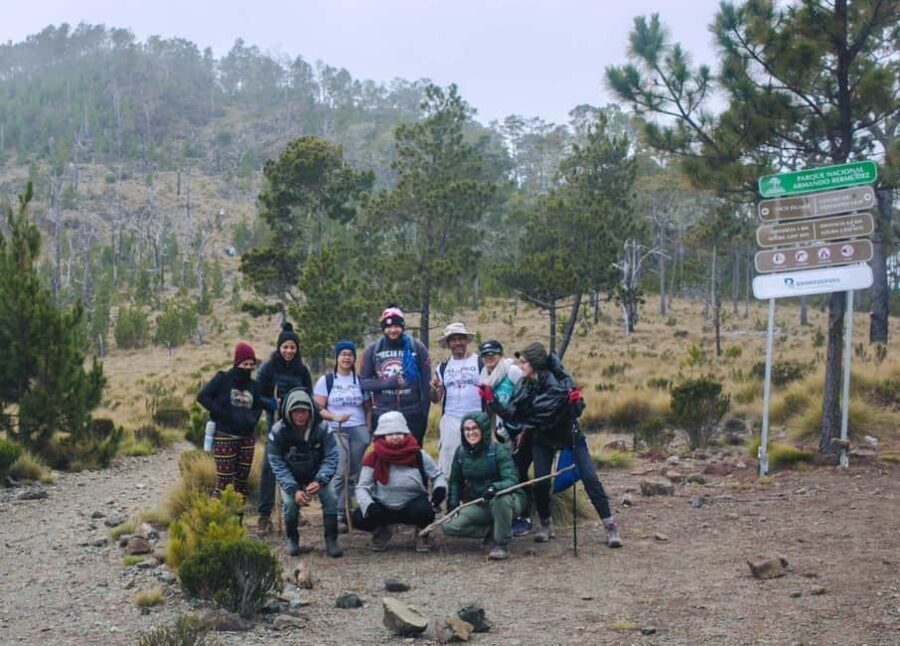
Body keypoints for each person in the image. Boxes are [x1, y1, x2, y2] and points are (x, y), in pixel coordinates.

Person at [486, 342, 622, 548]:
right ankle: (546, 524)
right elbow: (514, 413)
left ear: (535, 363)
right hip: (542, 436)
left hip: (568, 434)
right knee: (541, 481)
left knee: (589, 477)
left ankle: (610, 526)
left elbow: (577, 409)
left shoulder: (558, 381)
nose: (519, 366)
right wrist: (493, 402)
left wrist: (574, 403)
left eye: (523, 362)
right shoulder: (524, 385)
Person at [352, 411, 446, 553]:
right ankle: (383, 529)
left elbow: (437, 475)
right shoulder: (373, 457)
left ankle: (422, 533)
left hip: (413, 505)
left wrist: (439, 489)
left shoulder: (419, 455)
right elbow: (362, 487)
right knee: (359, 518)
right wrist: (369, 505)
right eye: (390, 434)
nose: (395, 437)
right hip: (383, 506)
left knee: (425, 511)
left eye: (398, 433)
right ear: (382, 436)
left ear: (405, 433)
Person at [266, 388, 343, 558]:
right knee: (290, 504)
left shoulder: (322, 428)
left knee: (331, 497)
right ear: (289, 412)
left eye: (304, 411)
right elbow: (276, 462)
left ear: (310, 411)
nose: (300, 415)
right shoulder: (278, 431)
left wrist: (320, 480)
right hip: (291, 478)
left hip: (317, 475)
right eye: (296, 411)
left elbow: (332, 456)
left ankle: (331, 540)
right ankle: (292, 539)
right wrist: (294, 489)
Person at [442, 412, 526, 561]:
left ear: (484, 429)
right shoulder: (460, 453)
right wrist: (452, 508)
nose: (471, 433)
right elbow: (455, 482)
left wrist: (495, 488)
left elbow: (512, 479)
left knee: (501, 500)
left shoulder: (499, 450)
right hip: (480, 503)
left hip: (508, 500)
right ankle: (493, 531)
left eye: (475, 428)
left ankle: (501, 544)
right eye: (467, 429)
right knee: (449, 526)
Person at [255, 322, 313, 535]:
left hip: (298, 426)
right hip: (276, 425)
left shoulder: (302, 370)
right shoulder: (268, 368)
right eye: (285, 347)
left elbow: (309, 395)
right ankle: (264, 516)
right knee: (269, 468)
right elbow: (258, 395)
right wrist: (272, 404)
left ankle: (295, 509)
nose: (289, 351)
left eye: (292, 347)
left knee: (297, 465)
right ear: (279, 347)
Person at [197, 342, 274, 499]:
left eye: (251, 364)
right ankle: (217, 513)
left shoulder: (254, 386)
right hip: (225, 436)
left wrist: (252, 419)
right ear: (237, 363)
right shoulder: (223, 379)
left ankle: (237, 514)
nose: (248, 367)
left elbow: (258, 405)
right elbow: (203, 397)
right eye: (245, 364)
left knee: (241, 483)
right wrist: (222, 413)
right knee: (224, 482)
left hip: (247, 438)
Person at [313, 340, 371, 531]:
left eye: (350, 354)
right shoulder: (327, 381)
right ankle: (335, 514)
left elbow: (367, 407)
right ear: (337, 357)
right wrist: (334, 416)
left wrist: (368, 429)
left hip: (358, 429)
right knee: (339, 472)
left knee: (354, 473)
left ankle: (349, 510)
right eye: (343, 354)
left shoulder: (359, 380)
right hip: (336, 429)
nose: (347, 358)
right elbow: (318, 408)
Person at [475, 340, 531, 536]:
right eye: (485, 355)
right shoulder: (484, 377)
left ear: (500, 355)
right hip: (499, 432)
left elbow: (527, 397)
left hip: (518, 431)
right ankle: (508, 515)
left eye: (493, 354)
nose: (490, 358)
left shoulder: (511, 371)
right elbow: (489, 410)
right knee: (506, 473)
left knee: (518, 472)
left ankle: (525, 517)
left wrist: (524, 429)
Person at [359, 305, 431, 445]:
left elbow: (426, 384)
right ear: (383, 328)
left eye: (396, 326)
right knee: (384, 454)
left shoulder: (417, 348)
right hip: (383, 413)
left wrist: (423, 413)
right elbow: (363, 382)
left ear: (402, 327)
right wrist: (386, 383)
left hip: (412, 413)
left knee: (413, 454)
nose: (393, 330)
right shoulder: (373, 350)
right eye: (388, 327)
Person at [430, 322, 482, 482]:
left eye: (460, 338)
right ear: (448, 344)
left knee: (477, 459)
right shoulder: (442, 367)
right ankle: (448, 491)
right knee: (449, 459)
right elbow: (436, 398)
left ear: (466, 340)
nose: (457, 343)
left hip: (477, 417)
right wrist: (432, 389)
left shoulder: (480, 362)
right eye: (453, 340)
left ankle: (476, 491)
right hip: (451, 419)